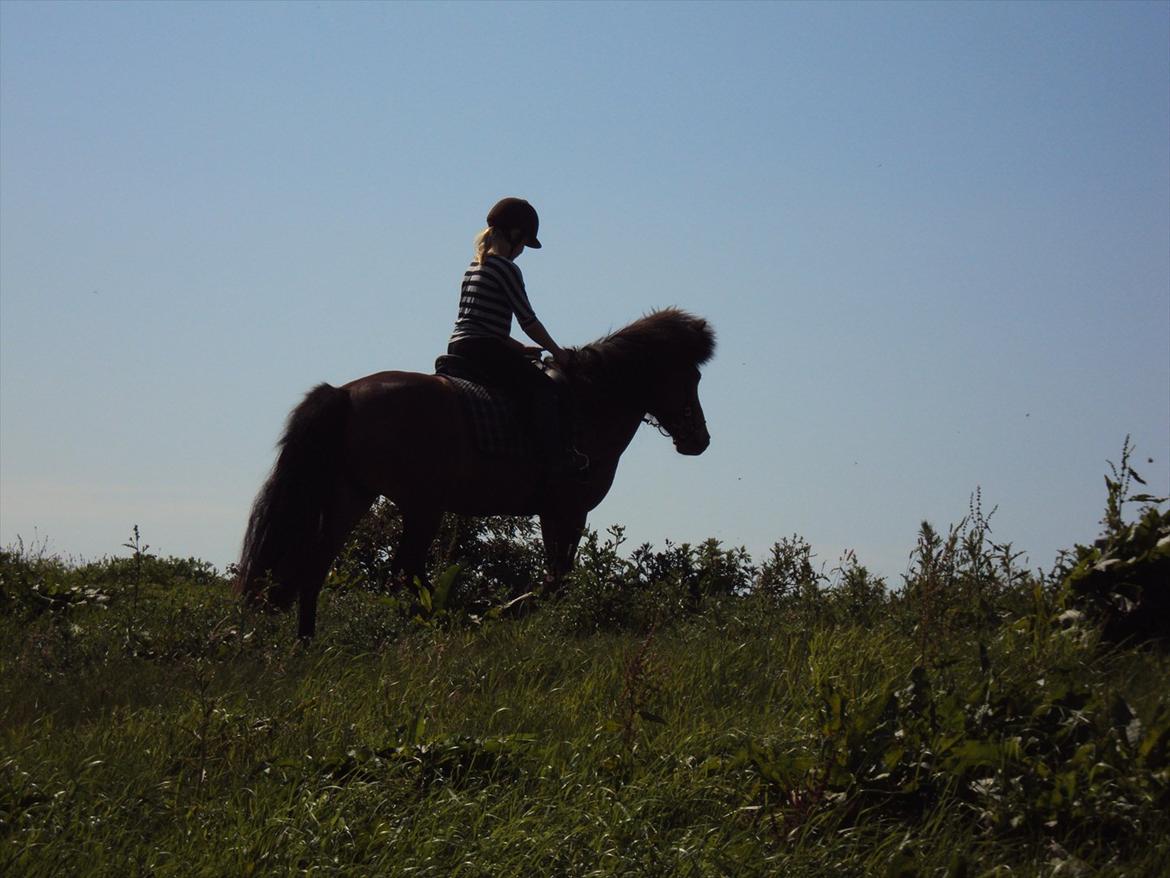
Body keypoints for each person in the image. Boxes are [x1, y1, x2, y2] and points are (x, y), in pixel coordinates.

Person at [447, 197, 584, 473]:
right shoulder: (507, 268)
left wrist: (518, 349)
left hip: (459, 347)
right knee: (544, 389)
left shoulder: (473, 268)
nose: (522, 251)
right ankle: (555, 461)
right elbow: (528, 321)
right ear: (514, 235)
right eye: (523, 243)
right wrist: (559, 353)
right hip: (485, 350)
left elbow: (477, 322)